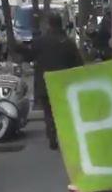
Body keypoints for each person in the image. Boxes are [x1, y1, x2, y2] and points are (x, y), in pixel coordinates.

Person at [32, 12, 84, 150]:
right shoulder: (68, 42)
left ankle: (52, 136)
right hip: (64, 83)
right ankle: (67, 137)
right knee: (64, 111)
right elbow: (78, 63)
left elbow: (28, 54)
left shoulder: (41, 42)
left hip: (45, 83)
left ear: (49, 25)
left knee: (48, 112)